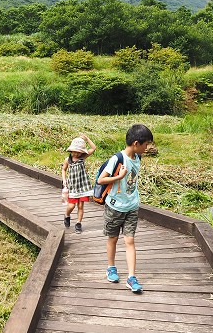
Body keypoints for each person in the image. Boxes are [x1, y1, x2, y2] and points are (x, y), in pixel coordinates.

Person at [95, 124, 154, 293]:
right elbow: (101, 180)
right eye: (145, 144)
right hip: (115, 207)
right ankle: (111, 267)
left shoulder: (137, 157)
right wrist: (119, 176)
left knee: (130, 240)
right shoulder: (117, 159)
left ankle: (131, 277)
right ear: (136, 143)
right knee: (112, 239)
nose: (147, 148)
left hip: (131, 206)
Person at [61, 134, 96, 233]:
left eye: (78, 152)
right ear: (71, 150)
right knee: (71, 206)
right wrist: (64, 180)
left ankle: (78, 223)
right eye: (74, 152)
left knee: (81, 206)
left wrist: (87, 138)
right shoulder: (67, 160)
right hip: (73, 186)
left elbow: (93, 148)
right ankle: (67, 215)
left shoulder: (83, 157)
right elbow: (64, 169)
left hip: (83, 186)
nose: (76, 154)